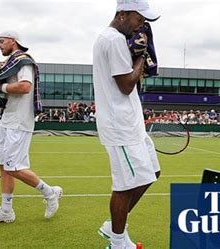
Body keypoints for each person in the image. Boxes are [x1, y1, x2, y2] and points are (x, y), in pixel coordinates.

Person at [92, 1, 161, 248]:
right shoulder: (113, 40)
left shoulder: (115, 39)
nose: (142, 25)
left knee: (152, 172)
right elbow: (126, 84)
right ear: (122, 14)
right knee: (125, 185)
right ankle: (118, 242)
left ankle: (113, 227)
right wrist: (141, 57)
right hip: (119, 125)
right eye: (139, 18)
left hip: (130, 123)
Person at [0, 30, 62, 225]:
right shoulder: (10, 63)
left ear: (13, 41)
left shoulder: (24, 61)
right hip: (8, 119)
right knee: (3, 166)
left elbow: (25, 87)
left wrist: (0, 88)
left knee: (14, 167)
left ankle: (50, 193)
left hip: (20, 121)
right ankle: (6, 211)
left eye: (1, 41)